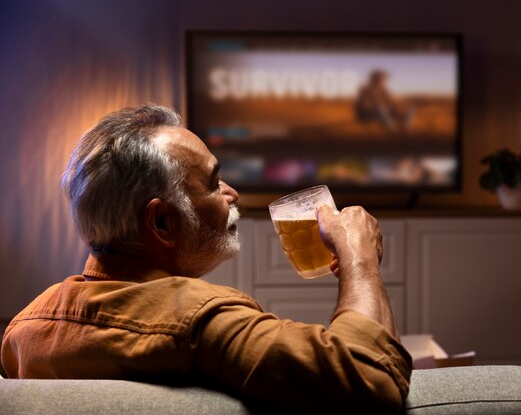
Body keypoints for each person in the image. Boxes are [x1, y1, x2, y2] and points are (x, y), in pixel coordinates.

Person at [0, 105, 411, 414]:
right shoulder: (200, 319)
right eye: (214, 182)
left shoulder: (23, 332)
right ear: (161, 221)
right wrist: (359, 258)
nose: (232, 193)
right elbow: (370, 379)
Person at [355, 69, 414, 134]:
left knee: (411, 108)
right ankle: (393, 130)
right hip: (367, 114)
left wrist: (397, 108)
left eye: (384, 78)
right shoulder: (365, 89)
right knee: (380, 108)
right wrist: (384, 108)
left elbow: (390, 103)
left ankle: (405, 127)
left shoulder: (385, 90)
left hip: (384, 112)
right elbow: (365, 106)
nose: (384, 80)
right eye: (382, 78)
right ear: (374, 78)